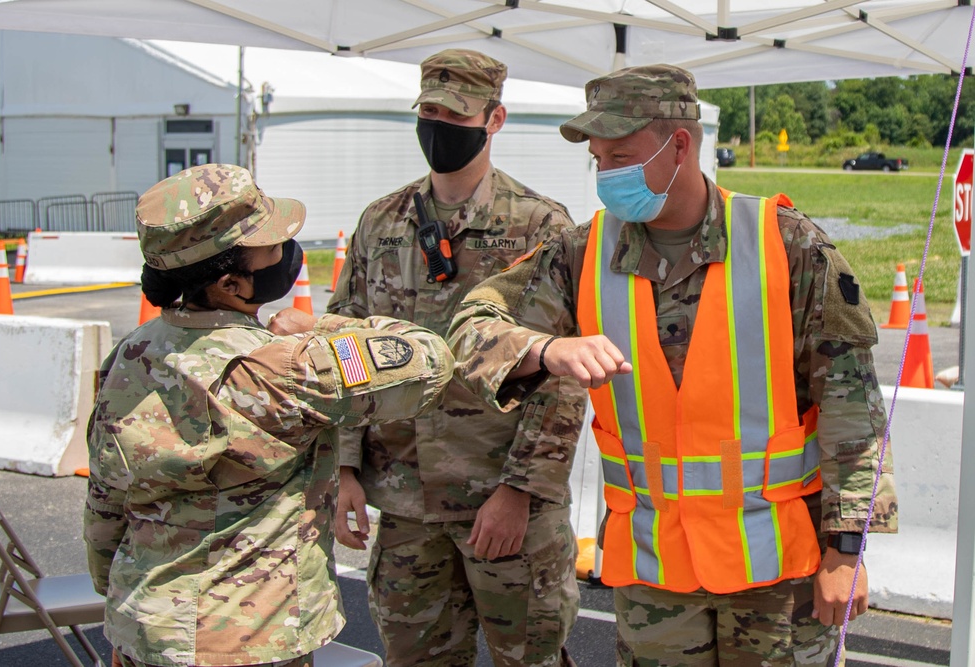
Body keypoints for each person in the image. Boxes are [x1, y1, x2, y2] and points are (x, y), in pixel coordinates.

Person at [447, 65, 898, 666]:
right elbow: (470, 324)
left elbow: (853, 408)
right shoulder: (581, 253)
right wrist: (544, 349)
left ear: (679, 145)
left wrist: (847, 551)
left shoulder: (786, 246)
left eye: (621, 156)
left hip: (778, 574)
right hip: (654, 576)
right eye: (599, 159)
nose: (606, 173)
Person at [83, 163, 454, 667]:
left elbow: (105, 503)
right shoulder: (281, 369)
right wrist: (319, 326)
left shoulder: (129, 356)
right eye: (273, 245)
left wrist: (125, 601)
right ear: (232, 284)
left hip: (145, 630)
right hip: (248, 641)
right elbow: (428, 359)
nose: (288, 255)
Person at [327, 49, 585, 667]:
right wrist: (342, 469)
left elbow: (562, 375)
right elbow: (343, 350)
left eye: (455, 114)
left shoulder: (542, 227)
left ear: (494, 120)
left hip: (502, 501)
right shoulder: (381, 222)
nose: (437, 126)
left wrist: (521, 490)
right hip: (405, 504)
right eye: (430, 112)